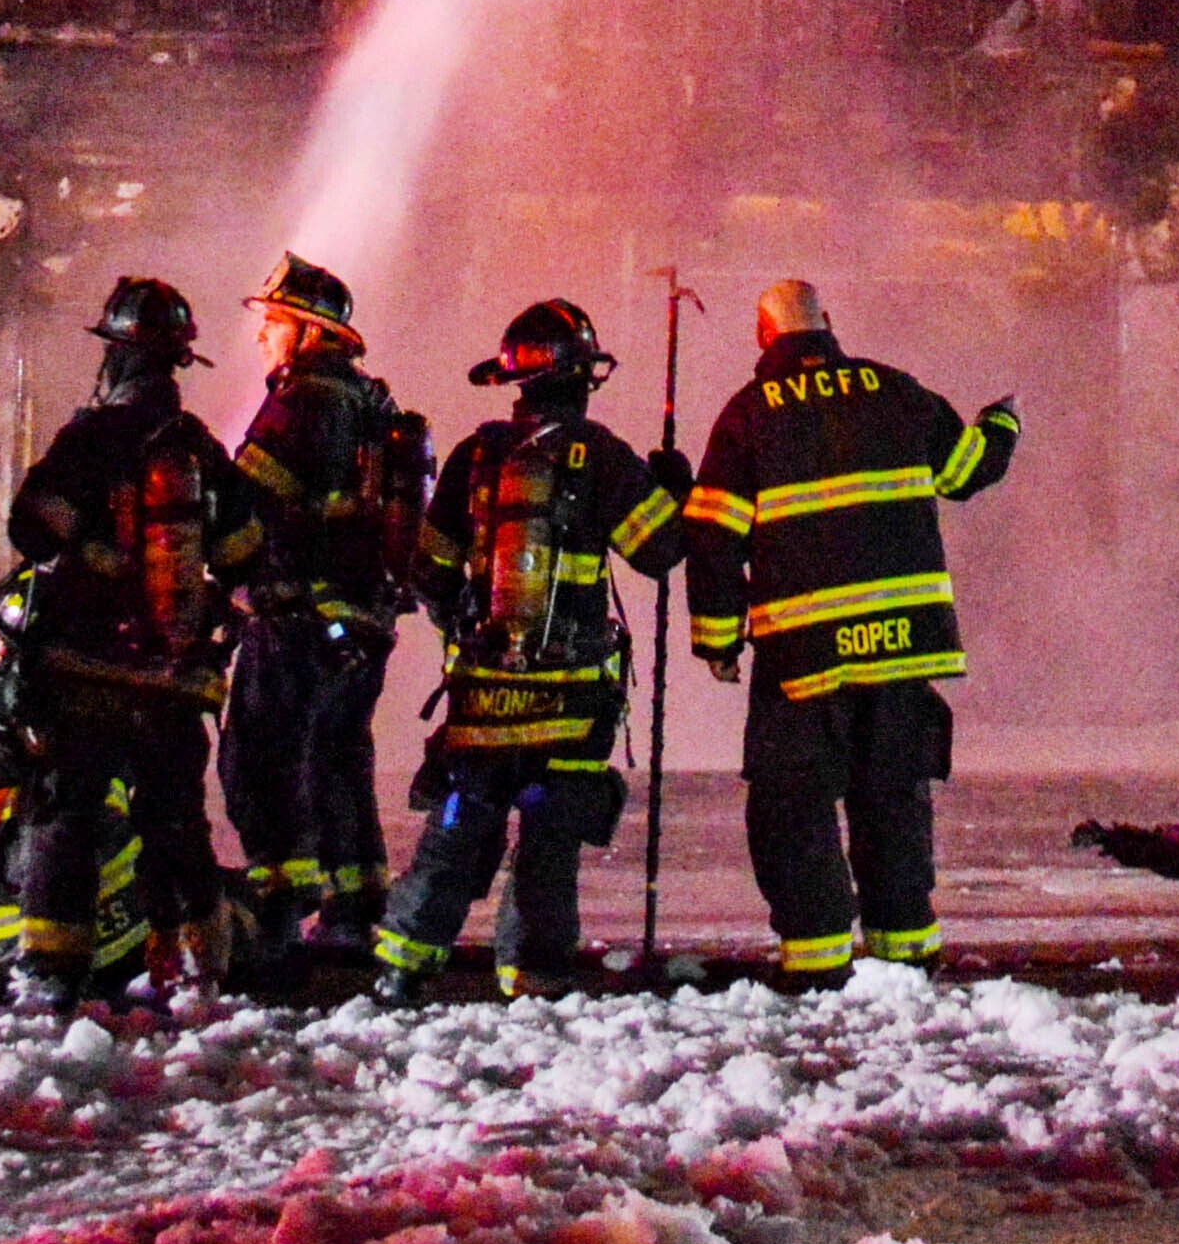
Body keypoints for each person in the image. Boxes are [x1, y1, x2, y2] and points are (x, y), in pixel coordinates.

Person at [681, 277, 1018, 986]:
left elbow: (713, 534)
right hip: (901, 651)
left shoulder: (748, 415)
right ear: (827, 325)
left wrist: (717, 641)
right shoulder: (895, 392)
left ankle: (817, 961)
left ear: (761, 337)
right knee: (892, 798)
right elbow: (964, 471)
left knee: (793, 805)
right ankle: (904, 951)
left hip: (805, 659)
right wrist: (1002, 426)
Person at [370, 297, 688, 1001]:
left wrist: (468, 630)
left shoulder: (475, 455)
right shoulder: (600, 455)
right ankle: (534, 974)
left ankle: (401, 962)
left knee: (459, 821)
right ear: (581, 378)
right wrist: (672, 488)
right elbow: (659, 552)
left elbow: (429, 571)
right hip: (572, 697)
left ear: (513, 381)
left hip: (482, 692)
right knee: (549, 835)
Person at [0, 273, 269, 1007]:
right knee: (175, 818)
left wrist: (87, 546)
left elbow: (29, 529)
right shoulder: (198, 449)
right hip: (171, 677)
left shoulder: (87, 440)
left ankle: (51, 974)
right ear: (177, 364)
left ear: (114, 357)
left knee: (67, 815)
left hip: (83, 670)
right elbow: (245, 552)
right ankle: (199, 965)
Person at [219, 255, 425, 967]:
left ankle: (280, 907)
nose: (260, 338)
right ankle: (355, 904)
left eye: (271, 323)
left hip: (296, 616)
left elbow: (239, 506)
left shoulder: (301, 402)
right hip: (362, 624)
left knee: (261, 761)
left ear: (307, 331)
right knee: (337, 759)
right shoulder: (373, 405)